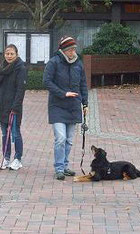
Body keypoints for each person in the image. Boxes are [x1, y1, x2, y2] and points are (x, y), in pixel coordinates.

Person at [43, 36, 89, 180]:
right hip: (57, 106)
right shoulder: (54, 62)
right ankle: (59, 168)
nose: (73, 52)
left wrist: (85, 103)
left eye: (74, 49)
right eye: (70, 49)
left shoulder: (78, 64)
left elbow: (83, 85)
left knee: (69, 140)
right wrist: (63, 93)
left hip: (73, 106)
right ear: (63, 50)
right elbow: (46, 82)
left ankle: (65, 165)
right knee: (61, 138)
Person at [0, 44, 27, 170]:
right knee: (4, 134)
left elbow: (21, 90)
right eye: (7, 54)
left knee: (15, 133)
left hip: (14, 107)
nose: (9, 56)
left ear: (16, 54)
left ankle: (17, 159)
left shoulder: (21, 68)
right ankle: (6, 158)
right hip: (2, 105)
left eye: (12, 54)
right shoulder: (2, 67)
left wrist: (15, 107)